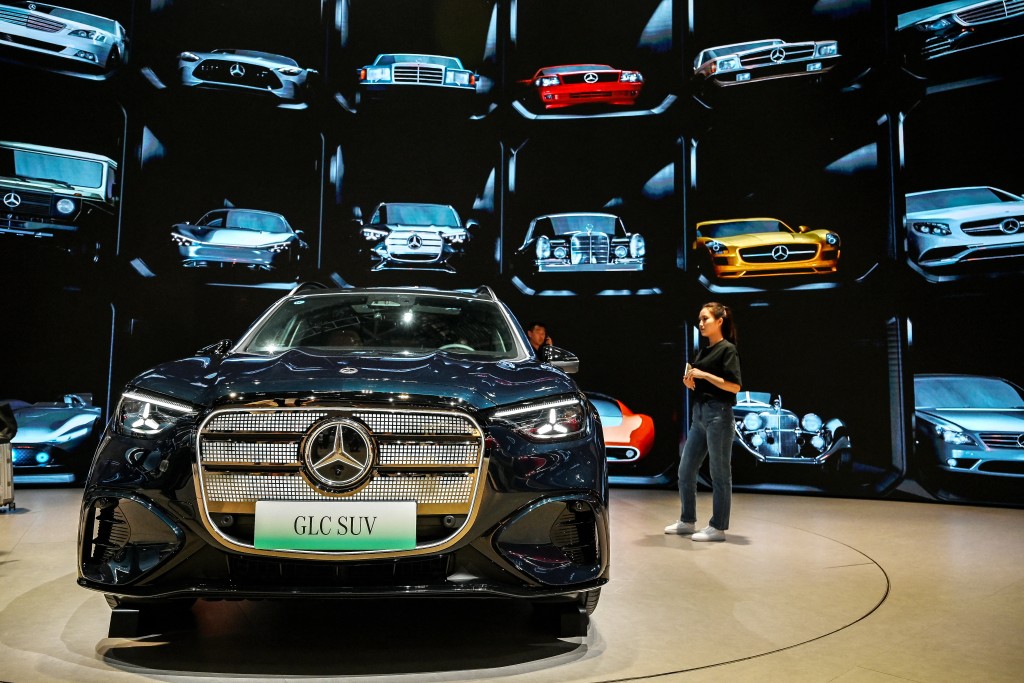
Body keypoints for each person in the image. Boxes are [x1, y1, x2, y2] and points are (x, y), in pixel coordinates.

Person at [665, 302, 741, 542]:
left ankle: (718, 527)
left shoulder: (727, 349)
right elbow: (702, 381)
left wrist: (704, 374)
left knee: (719, 473)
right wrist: (691, 381)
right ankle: (687, 521)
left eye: (705, 319)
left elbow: (734, 386)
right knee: (685, 470)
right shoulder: (705, 351)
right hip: (699, 414)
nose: (701, 323)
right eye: (699, 319)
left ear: (720, 321)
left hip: (719, 414)